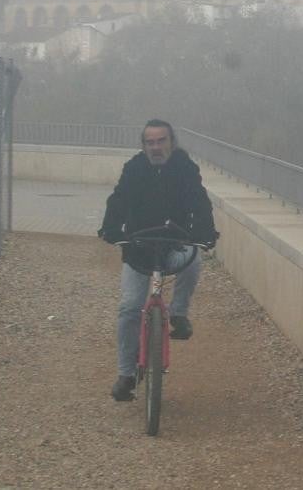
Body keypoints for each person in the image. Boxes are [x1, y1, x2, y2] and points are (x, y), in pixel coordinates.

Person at [98, 119, 219, 402]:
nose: (155, 147)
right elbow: (118, 200)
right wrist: (111, 229)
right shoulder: (134, 169)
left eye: (161, 141)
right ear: (143, 146)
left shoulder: (185, 168)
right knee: (129, 308)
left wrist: (205, 232)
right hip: (139, 247)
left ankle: (178, 314)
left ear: (171, 143)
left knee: (193, 259)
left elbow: (200, 202)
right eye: (150, 142)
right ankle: (126, 375)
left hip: (174, 241)